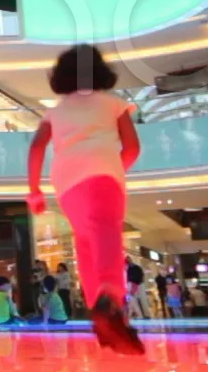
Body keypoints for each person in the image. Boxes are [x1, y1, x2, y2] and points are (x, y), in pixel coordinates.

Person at [27, 45, 143, 355]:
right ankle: (110, 301)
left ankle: (98, 310)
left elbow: (37, 147)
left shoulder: (56, 111)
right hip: (103, 169)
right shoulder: (113, 104)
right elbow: (132, 148)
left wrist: (34, 189)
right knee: (106, 232)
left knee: (85, 239)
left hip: (65, 181)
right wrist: (113, 167)